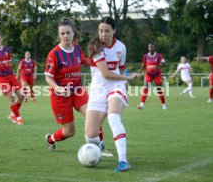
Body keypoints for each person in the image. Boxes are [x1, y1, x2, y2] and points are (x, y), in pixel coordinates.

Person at [44, 17, 112, 156]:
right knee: (69, 132)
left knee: (94, 116)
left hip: (78, 91)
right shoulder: (54, 54)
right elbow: (48, 77)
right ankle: (50, 139)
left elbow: (87, 62)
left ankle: (100, 147)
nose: (65, 36)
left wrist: (104, 62)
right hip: (60, 96)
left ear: (73, 33)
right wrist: (58, 88)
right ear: (59, 35)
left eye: (68, 33)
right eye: (62, 34)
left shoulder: (77, 49)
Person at [84, 16, 139, 172]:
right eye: (101, 30)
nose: (103, 34)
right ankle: (99, 146)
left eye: (107, 31)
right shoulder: (95, 47)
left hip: (116, 86)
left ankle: (123, 161)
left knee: (114, 117)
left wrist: (124, 83)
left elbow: (120, 69)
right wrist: (127, 77)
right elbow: (106, 74)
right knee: (90, 135)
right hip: (98, 89)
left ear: (114, 30)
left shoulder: (121, 47)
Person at [0, 32, 25, 125]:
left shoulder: (7, 50)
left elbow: (8, 64)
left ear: (1, 39)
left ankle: (12, 114)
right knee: (11, 97)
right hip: (0, 78)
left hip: (10, 76)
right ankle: (18, 117)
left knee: (22, 96)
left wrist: (16, 77)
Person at [137, 43, 167, 110]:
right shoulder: (145, 56)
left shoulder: (159, 55)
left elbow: (165, 64)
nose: (151, 48)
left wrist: (159, 67)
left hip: (157, 75)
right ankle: (142, 105)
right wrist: (139, 72)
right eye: (149, 47)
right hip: (148, 74)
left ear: (154, 48)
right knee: (146, 87)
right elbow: (143, 65)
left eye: (152, 47)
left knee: (159, 89)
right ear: (148, 48)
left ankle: (164, 105)